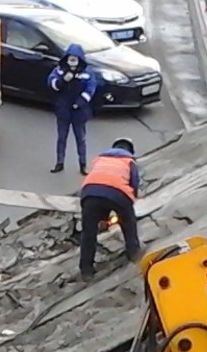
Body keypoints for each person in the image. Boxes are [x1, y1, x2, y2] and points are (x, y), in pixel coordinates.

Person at [78, 138, 140, 279]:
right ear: (129, 151)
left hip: (90, 193)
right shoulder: (129, 162)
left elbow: (99, 181)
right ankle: (133, 252)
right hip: (118, 194)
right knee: (128, 221)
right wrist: (131, 202)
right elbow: (134, 183)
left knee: (88, 233)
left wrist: (103, 217)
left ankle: (86, 270)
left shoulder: (100, 159)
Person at [46, 44, 98, 174]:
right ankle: (59, 163)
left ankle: (83, 165)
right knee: (61, 138)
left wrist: (79, 103)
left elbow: (90, 89)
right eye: (70, 59)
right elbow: (51, 83)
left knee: (80, 139)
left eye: (75, 59)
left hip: (79, 112)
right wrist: (63, 80)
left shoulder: (87, 73)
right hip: (63, 110)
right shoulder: (60, 70)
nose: (72, 62)